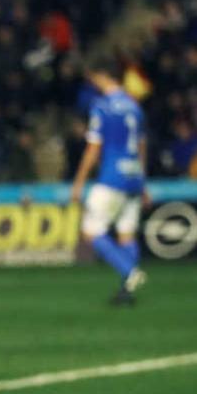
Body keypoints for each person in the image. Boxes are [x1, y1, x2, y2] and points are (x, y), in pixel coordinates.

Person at [70, 53, 148, 304]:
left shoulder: (102, 106)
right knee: (126, 234)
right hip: (134, 176)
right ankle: (127, 292)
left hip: (112, 177)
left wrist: (79, 182)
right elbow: (142, 145)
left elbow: (94, 148)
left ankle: (130, 272)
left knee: (91, 231)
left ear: (101, 77)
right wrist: (143, 181)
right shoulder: (135, 106)